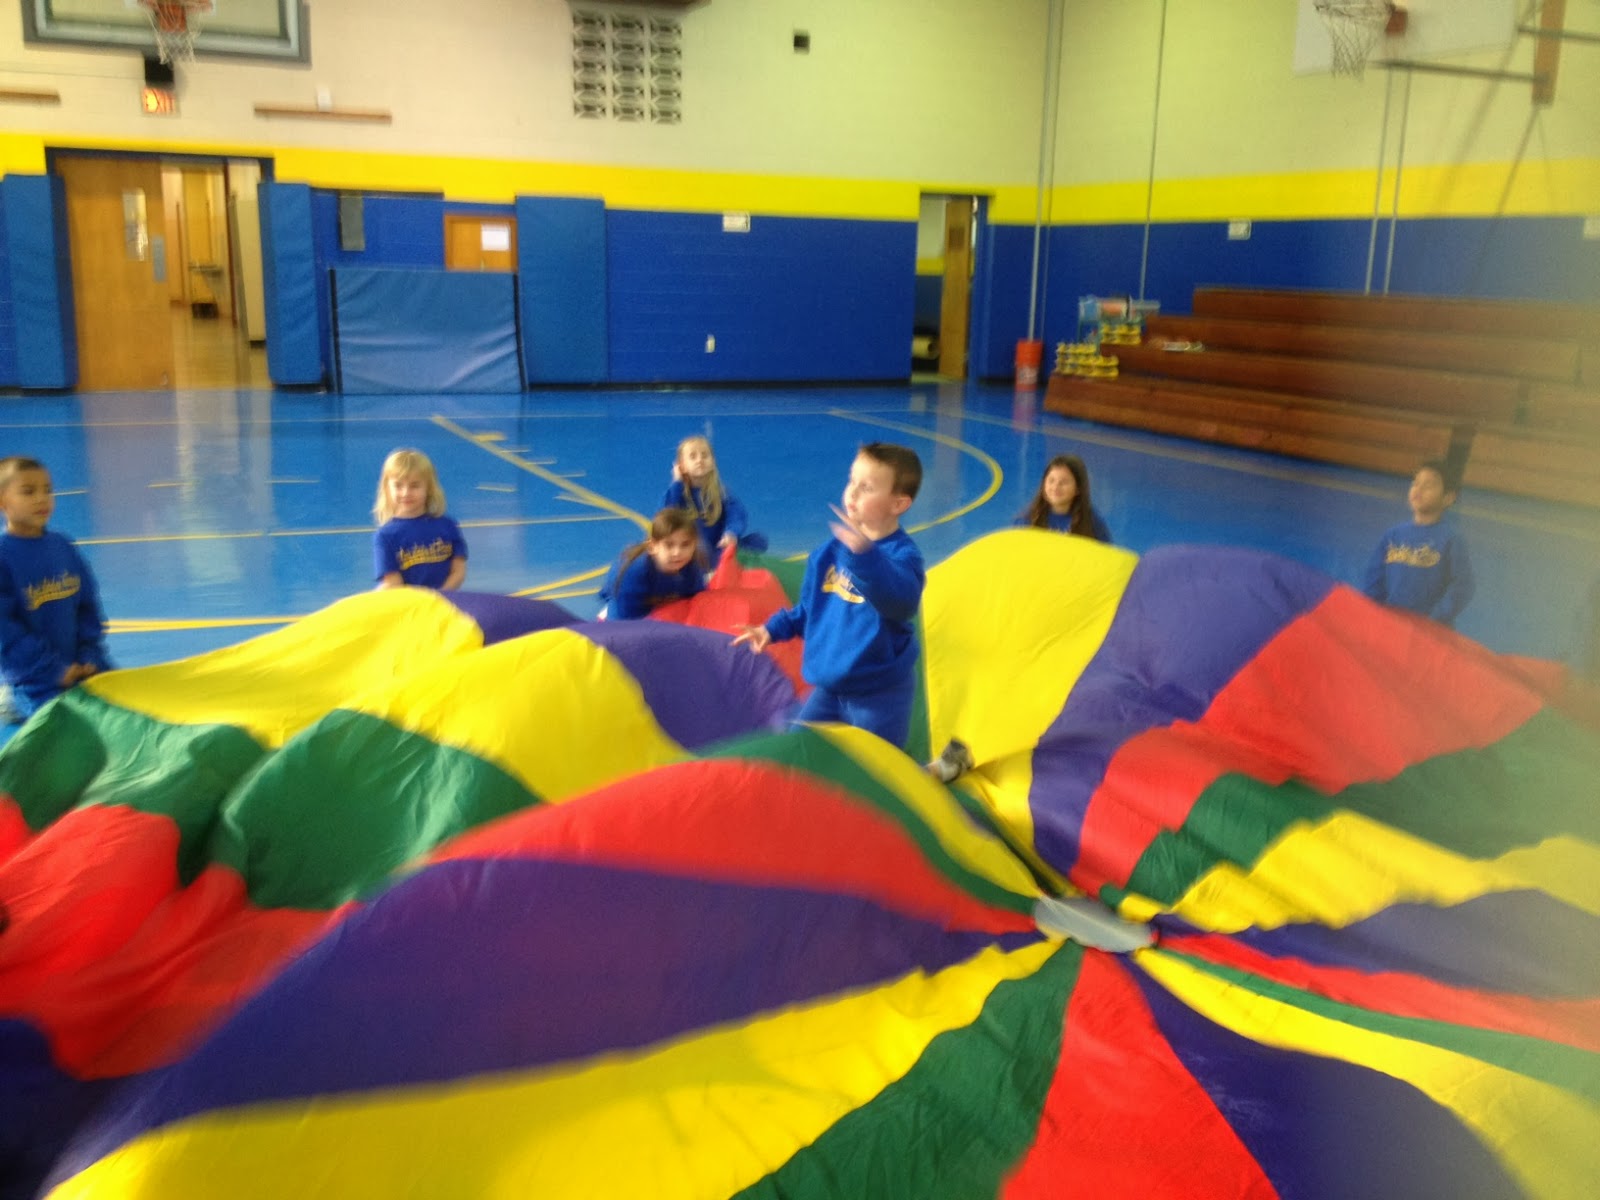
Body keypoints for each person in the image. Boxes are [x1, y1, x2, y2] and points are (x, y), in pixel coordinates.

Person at [733, 442, 925, 749]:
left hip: (878, 694)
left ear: (899, 504)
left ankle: (931, 774)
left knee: (877, 770)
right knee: (798, 749)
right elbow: (808, 610)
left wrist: (864, 554)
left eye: (867, 487)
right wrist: (770, 629)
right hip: (830, 688)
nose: (852, 492)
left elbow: (900, 602)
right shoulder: (828, 553)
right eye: (852, 481)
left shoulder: (902, 556)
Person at [0, 455, 112, 723]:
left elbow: (87, 606)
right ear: (3, 502)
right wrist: (53, 670)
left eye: (47, 490)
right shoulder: (4, 557)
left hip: (84, 668)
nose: (41, 498)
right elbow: (6, 632)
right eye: (28, 491)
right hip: (36, 680)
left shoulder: (63, 547)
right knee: (74, 729)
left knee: (129, 706)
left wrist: (89, 655)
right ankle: (10, 700)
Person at [1361, 459, 1474, 627]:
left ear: (1448, 498)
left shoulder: (1451, 539)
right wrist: (1374, 612)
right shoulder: (1393, 535)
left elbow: (1463, 585)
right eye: (1415, 483)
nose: (1418, 489)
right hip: (1394, 625)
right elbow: (1374, 580)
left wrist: (1435, 618)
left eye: (1428, 485)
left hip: (1431, 633)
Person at [372, 448, 467, 591]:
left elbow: (458, 572)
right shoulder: (385, 536)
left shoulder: (448, 527)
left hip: (445, 605)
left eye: (414, 486)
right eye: (398, 485)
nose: (406, 493)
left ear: (429, 488)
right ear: (387, 488)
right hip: (409, 609)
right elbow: (393, 583)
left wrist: (438, 598)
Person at [598, 507, 708, 620]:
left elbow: (696, 600)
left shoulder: (692, 566)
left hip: (659, 598)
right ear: (652, 547)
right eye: (669, 545)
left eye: (685, 544)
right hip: (623, 597)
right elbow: (624, 621)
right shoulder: (634, 571)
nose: (677, 553)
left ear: (694, 545)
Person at [663, 434, 751, 559]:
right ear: (681, 466)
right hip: (689, 552)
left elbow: (736, 515)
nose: (700, 460)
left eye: (705, 455)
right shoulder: (676, 492)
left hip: (717, 547)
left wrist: (731, 533)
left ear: (713, 461)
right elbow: (666, 516)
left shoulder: (722, 493)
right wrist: (677, 482)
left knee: (757, 541)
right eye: (693, 457)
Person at [1014, 453, 1111, 541]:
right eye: (1051, 480)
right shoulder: (1028, 520)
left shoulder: (1092, 522)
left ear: (1078, 488)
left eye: (1064, 482)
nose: (1055, 487)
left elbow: (1104, 555)